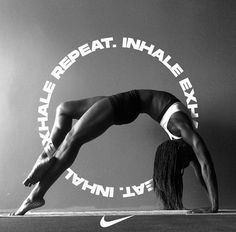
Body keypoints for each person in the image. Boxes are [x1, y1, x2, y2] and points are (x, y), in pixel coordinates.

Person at [10, 89, 218, 215]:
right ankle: (46, 157)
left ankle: (36, 194)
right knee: (64, 110)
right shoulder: (181, 128)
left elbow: (200, 170)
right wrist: (214, 207)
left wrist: (212, 205)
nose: (181, 169)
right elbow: (206, 164)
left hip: (128, 103)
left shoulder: (183, 145)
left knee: (73, 138)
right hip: (126, 104)